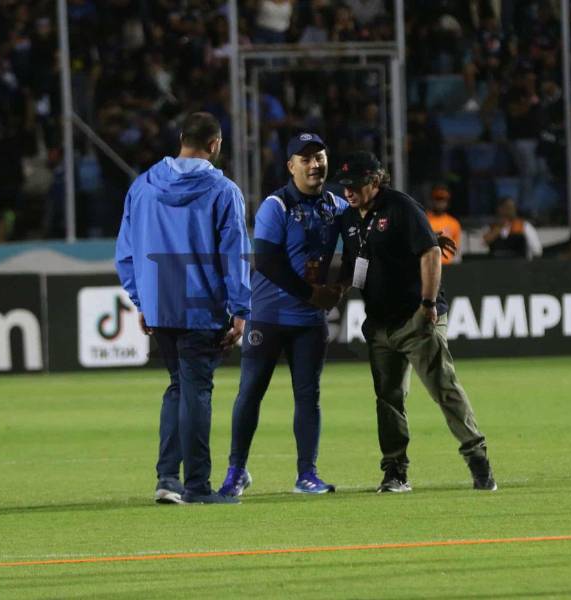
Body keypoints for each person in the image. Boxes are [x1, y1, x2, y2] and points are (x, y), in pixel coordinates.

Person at [336, 151, 496, 493]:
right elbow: (354, 267)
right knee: (388, 397)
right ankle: (395, 471)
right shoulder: (349, 219)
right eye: (345, 185)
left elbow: (430, 253)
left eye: (355, 185)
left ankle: (477, 457)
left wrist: (427, 304)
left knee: (443, 387)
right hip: (379, 322)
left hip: (416, 316)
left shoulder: (401, 207)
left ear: (375, 182)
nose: (348, 192)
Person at [115, 112, 251, 505]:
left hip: (161, 302)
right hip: (201, 305)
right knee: (196, 390)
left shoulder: (143, 187)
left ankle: (167, 478)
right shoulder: (224, 191)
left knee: (178, 387)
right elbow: (235, 254)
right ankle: (196, 485)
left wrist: (142, 298)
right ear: (215, 145)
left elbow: (126, 252)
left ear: (181, 139)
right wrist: (240, 308)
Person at [218, 133, 347, 497]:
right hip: (269, 317)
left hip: (308, 322)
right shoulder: (276, 205)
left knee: (308, 396)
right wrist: (314, 294)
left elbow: (359, 246)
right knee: (250, 393)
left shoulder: (336, 206)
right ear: (291, 166)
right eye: (304, 159)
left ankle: (307, 475)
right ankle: (235, 472)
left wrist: (344, 286)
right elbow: (269, 262)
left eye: (319, 157)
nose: (314, 164)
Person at [426, 184, 462, 264]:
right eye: (437, 199)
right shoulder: (424, 220)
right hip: (431, 266)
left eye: (443, 199)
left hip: (449, 266)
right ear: (432, 200)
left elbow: (457, 250)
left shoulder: (454, 223)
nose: (440, 202)